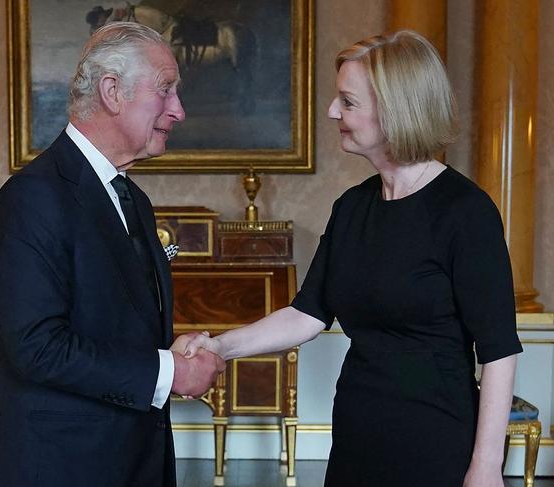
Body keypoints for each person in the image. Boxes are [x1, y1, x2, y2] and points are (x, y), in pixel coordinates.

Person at [179, 30, 522, 487]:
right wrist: (219, 345)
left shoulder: (465, 212)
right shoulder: (353, 207)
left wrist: (485, 466)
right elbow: (306, 314)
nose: (332, 112)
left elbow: (498, 350)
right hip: (359, 432)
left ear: (395, 109)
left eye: (348, 101)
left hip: (436, 439)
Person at [0, 22, 225, 487]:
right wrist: (168, 371)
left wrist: (167, 355)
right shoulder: (32, 197)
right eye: (166, 89)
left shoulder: (131, 196)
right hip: (61, 467)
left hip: (133, 459)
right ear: (112, 91)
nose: (179, 110)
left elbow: (115, 323)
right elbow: (35, 347)